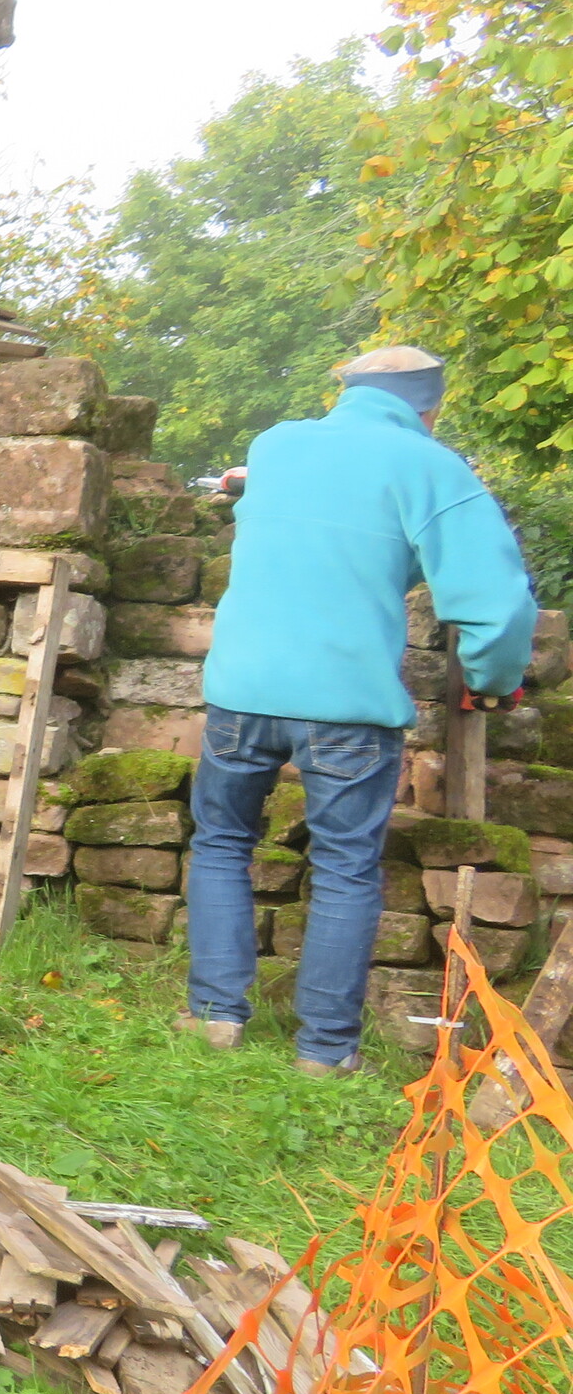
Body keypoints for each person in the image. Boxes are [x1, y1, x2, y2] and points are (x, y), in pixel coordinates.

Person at [185, 345, 538, 1077]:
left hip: (241, 690)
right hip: (346, 702)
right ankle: (323, 1052)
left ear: (345, 391)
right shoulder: (433, 467)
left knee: (221, 842)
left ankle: (215, 1016)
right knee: (345, 867)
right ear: (430, 407)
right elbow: (498, 604)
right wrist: (490, 679)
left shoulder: (276, 446)